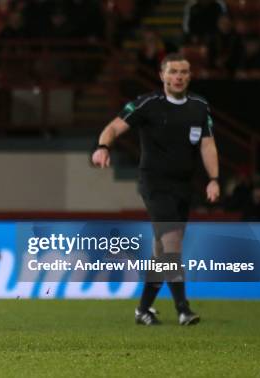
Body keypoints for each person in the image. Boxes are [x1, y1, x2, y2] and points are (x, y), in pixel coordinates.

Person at [91, 53, 220, 326]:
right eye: (173, 72)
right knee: (172, 242)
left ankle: (143, 310)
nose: (178, 77)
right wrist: (103, 147)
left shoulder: (199, 106)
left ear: (190, 75)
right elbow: (114, 127)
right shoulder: (147, 104)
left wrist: (214, 178)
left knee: (162, 250)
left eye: (183, 72)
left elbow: (207, 144)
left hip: (184, 185)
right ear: (162, 75)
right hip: (154, 184)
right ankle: (183, 309)